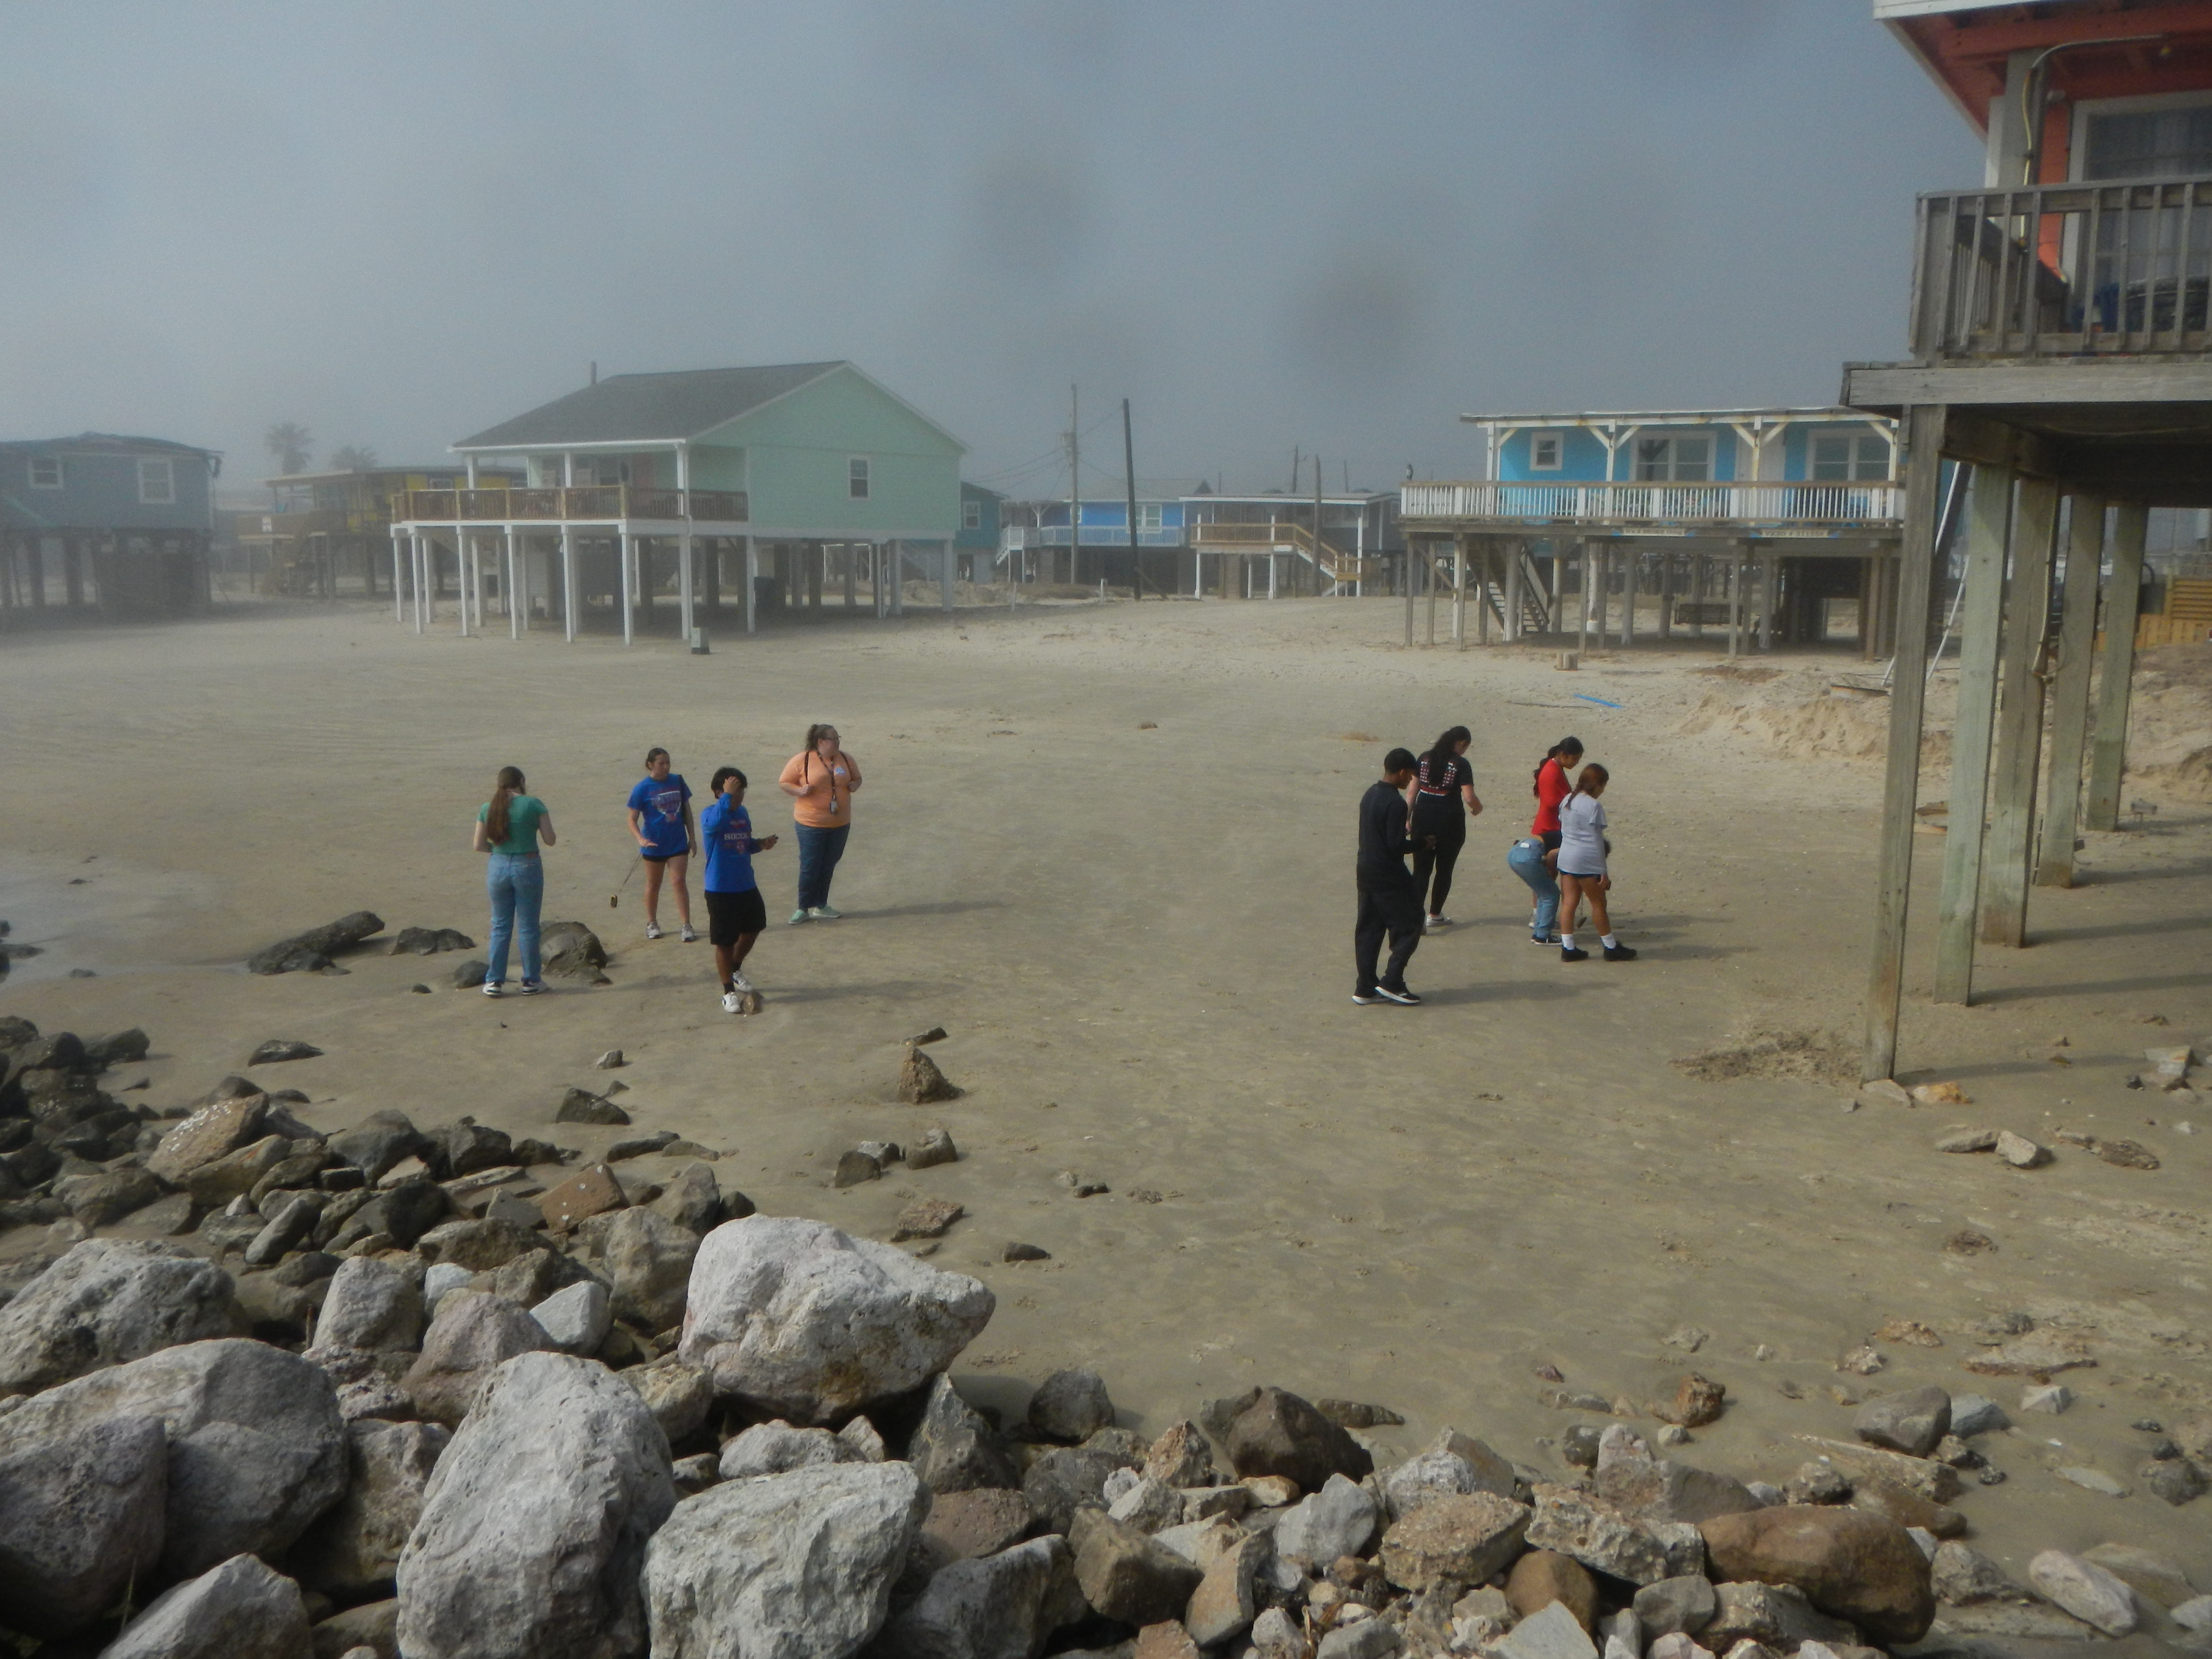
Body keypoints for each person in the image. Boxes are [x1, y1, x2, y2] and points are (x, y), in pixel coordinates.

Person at [1354, 747, 1433, 1006]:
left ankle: (1365, 987)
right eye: (1410, 776)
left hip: (1365, 869)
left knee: (1369, 930)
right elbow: (1395, 845)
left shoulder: (1370, 795)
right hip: (1387, 874)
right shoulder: (1395, 803)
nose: (1409, 780)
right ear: (1402, 772)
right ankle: (1392, 982)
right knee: (1412, 922)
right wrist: (1422, 843)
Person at [472, 765, 556, 997]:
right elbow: (550, 840)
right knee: (528, 927)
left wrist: (499, 849)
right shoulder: (533, 804)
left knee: (500, 925)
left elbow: (478, 845)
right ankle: (531, 980)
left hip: (498, 866)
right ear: (521, 781)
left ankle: (494, 981)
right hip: (527, 865)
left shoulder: (488, 808)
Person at [700, 766, 779, 1012]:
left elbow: (744, 844)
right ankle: (728, 992)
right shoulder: (710, 814)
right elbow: (714, 826)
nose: (740, 797)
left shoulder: (742, 813)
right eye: (735, 792)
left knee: (754, 927)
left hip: (746, 884)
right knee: (724, 942)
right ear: (718, 793)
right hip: (720, 888)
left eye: (741, 791)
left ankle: (735, 968)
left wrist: (760, 845)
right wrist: (726, 797)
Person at [778, 723, 862, 925]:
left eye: (838, 738)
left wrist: (854, 785)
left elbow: (858, 779)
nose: (838, 742)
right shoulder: (803, 760)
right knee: (810, 866)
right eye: (834, 739)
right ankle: (803, 907)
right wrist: (800, 791)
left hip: (840, 823)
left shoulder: (846, 759)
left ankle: (821, 905)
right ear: (821, 742)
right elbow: (784, 782)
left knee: (829, 864)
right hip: (811, 824)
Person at [1405, 725, 1483, 931]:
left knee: (1421, 871)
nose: (1464, 750)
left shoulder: (1423, 759)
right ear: (1459, 743)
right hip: (1450, 822)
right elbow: (1469, 797)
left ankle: (1416, 919)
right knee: (1444, 869)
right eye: (1464, 746)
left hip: (1423, 819)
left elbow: (1412, 792)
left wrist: (1407, 819)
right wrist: (1478, 808)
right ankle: (1435, 914)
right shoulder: (1461, 764)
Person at [1556, 761, 1635, 962]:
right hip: (1586, 859)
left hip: (1566, 856)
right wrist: (1603, 870)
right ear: (1597, 785)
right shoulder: (1593, 806)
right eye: (1603, 786)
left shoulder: (1567, 799)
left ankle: (1568, 947)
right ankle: (1610, 946)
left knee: (1569, 903)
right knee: (1599, 903)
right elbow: (1596, 840)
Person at [1509, 736, 1583, 946]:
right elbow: (1551, 802)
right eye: (1575, 759)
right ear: (1563, 755)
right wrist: (1571, 800)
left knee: (1548, 873)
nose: (1576, 763)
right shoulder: (1551, 771)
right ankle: (1539, 918)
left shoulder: (1553, 768)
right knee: (1547, 874)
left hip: (1549, 826)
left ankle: (1540, 916)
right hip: (1549, 827)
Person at [626, 747, 697, 942]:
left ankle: (686, 925)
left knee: (679, 881)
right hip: (654, 844)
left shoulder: (678, 782)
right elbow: (632, 819)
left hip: (677, 842)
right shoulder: (642, 788)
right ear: (650, 765)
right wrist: (641, 839)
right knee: (653, 884)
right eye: (661, 763)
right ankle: (652, 923)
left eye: (668, 763)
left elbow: (687, 812)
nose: (666, 767)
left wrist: (692, 837)